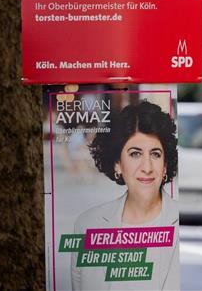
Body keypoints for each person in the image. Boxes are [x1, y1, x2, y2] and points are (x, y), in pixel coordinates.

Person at [71, 101, 179, 290]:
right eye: (135, 154)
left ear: (165, 166)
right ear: (117, 164)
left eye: (155, 154)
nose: (147, 167)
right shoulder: (87, 225)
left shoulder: (183, 224)